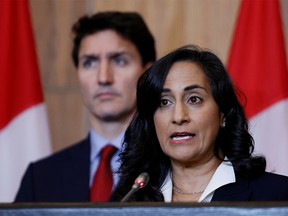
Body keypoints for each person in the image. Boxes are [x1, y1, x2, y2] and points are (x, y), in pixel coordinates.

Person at [110, 45, 288, 202]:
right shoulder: (129, 199)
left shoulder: (276, 194)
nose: (179, 116)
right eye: (164, 102)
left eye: (194, 99)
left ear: (223, 114)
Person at [15, 11, 156, 202]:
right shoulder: (40, 177)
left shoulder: (171, 167)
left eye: (119, 60)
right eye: (89, 63)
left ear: (147, 74)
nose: (103, 78)